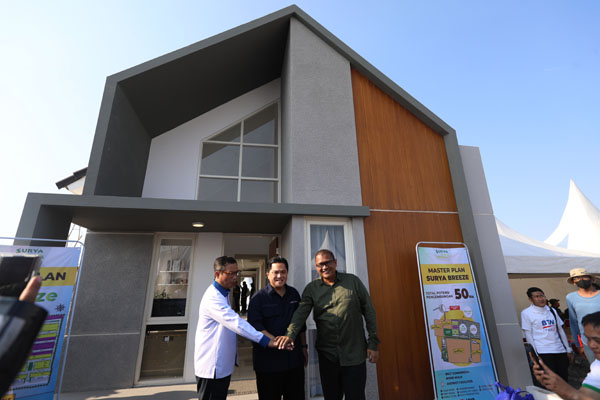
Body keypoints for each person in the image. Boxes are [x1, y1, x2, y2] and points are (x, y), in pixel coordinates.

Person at [275, 249, 380, 400]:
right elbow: (300, 314)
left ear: (335, 262)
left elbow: (369, 311)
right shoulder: (312, 289)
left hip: (354, 354)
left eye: (327, 263)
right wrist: (289, 335)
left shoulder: (353, 282)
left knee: (356, 396)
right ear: (316, 267)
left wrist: (373, 343)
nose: (324, 267)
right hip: (328, 356)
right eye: (320, 265)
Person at [194, 256, 282, 400]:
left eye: (237, 273)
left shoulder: (224, 293)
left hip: (221, 368)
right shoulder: (213, 298)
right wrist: (266, 340)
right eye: (231, 273)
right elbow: (236, 323)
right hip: (212, 368)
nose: (235, 277)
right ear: (217, 274)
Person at [248, 257, 306, 400]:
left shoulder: (294, 294)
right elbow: (255, 328)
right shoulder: (258, 298)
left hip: (293, 362)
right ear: (268, 274)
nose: (279, 276)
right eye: (276, 272)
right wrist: (278, 342)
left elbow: (300, 325)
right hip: (268, 365)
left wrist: (304, 348)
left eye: (283, 272)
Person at [532, 311, 600, 399]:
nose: (591, 345)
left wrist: (568, 392)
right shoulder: (597, 366)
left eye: (597, 340)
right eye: (588, 339)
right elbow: (587, 395)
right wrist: (557, 387)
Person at [521, 287, 573, 384]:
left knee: (563, 379)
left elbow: (560, 330)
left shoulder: (552, 310)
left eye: (542, 296)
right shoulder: (526, 313)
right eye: (537, 296)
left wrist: (567, 349)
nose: (541, 299)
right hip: (543, 352)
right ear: (530, 299)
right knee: (550, 381)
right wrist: (536, 355)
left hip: (559, 350)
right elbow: (529, 335)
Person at [566, 268, 600, 363]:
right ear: (574, 282)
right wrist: (578, 344)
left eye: (584, 277)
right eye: (576, 278)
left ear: (591, 279)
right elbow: (574, 322)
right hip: (588, 342)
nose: (581, 280)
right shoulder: (570, 297)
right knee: (595, 368)